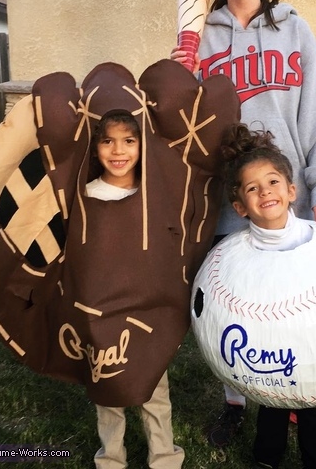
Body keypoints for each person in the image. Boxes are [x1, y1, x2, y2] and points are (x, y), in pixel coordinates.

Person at [171, 0, 316, 447]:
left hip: (285, 202)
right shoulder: (199, 38)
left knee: (295, 307)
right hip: (224, 201)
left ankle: (297, 397)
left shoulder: (293, 29)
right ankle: (234, 400)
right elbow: (179, 120)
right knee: (236, 306)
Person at [220, 122, 316, 469]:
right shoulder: (239, 252)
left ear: (292, 190)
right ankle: (267, 458)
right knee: (273, 404)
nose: (265, 192)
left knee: (313, 406)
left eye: (273, 182)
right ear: (240, 207)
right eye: (253, 188)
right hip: (268, 346)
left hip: (313, 340)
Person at [87, 111, 184, 469]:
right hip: (102, 310)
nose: (118, 150)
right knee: (107, 389)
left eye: (129, 140)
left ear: (142, 146)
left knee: (154, 388)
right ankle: (111, 458)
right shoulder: (86, 196)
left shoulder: (152, 196)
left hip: (145, 312)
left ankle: (164, 457)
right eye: (107, 140)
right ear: (95, 147)